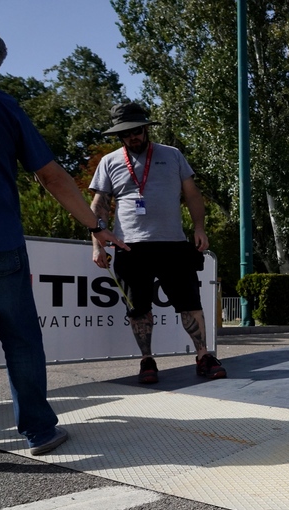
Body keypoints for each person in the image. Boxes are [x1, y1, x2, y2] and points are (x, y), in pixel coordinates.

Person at [0, 17, 128, 470]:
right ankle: (38, 429)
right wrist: (95, 225)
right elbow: (52, 176)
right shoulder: (0, 103)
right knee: (19, 339)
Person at [89, 102, 226, 384]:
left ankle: (203, 356)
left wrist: (199, 228)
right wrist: (96, 245)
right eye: (125, 134)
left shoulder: (172, 155)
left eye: (137, 131)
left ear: (146, 128)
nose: (132, 137)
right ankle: (147, 361)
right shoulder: (110, 161)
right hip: (129, 246)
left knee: (189, 303)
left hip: (173, 244)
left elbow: (192, 194)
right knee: (138, 309)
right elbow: (99, 206)